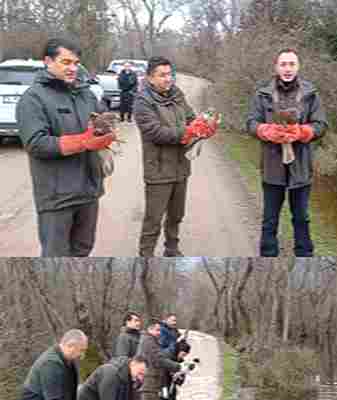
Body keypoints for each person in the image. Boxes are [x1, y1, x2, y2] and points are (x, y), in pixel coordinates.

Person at [16, 38, 116, 257]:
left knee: (83, 251)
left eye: (76, 62)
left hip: (89, 191)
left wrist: (106, 128)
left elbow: (100, 122)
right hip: (57, 197)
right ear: (48, 61)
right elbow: (36, 143)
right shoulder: (33, 98)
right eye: (66, 62)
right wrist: (83, 141)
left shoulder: (85, 93)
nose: (72, 68)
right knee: (56, 257)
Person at [247, 48, 328, 257]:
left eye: (292, 64)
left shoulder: (311, 94)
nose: (288, 68)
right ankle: (267, 256)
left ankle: (304, 256)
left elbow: (321, 125)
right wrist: (265, 130)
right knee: (269, 220)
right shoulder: (262, 94)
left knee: (301, 218)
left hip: (301, 169)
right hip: (272, 168)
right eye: (283, 64)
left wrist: (302, 131)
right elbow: (250, 123)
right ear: (276, 67)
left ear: (298, 67)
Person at [134, 56, 217, 257]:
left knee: (176, 215)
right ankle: (146, 256)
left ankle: (172, 249)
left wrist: (204, 126)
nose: (168, 79)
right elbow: (155, 133)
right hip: (158, 170)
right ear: (150, 78)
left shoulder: (177, 95)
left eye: (170, 74)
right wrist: (187, 133)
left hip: (181, 167)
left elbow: (191, 118)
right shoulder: (142, 101)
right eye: (162, 75)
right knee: (153, 219)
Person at [136, 320, 182, 400]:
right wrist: (177, 366)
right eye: (157, 330)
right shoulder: (148, 341)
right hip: (148, 382)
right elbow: (158, 360)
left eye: (160, 330)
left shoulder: (152, 341)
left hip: (154, 381)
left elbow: (161, 356)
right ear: (150, 329)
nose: (159, 333)